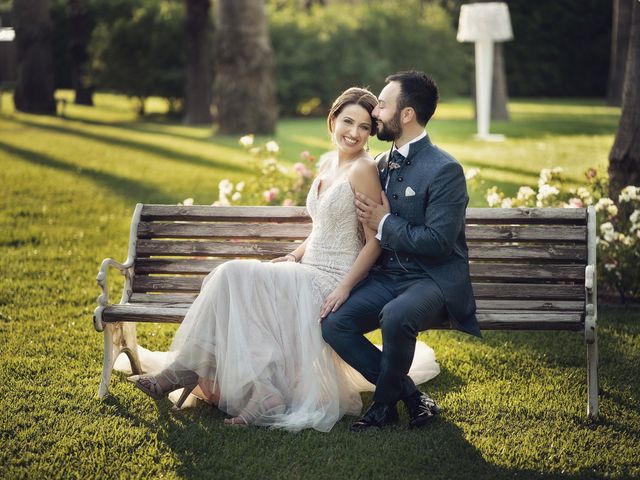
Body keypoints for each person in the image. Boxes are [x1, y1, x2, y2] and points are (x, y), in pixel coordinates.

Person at [126, 87, 440, 432]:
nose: (353, 132)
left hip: (332, 279)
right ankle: (258, 392)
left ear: (371, 133)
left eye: (364, 127)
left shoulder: (363, 169)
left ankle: (188, 370)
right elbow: (321, 229)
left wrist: (345, 289)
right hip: (305, 269)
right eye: (347, 121)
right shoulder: (329, 163)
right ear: (332, 119)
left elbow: (375, 241)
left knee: (230, 274)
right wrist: (292, 255)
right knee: (232, 283)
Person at [321, 71, 480, 432]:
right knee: (334, 323)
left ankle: (381, 407)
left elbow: (439, 243)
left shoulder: (445, 170)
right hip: (388, 275)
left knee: (395, 315)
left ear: (405, 115)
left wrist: (385, 222)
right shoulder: (379, 164)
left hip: (433, 280)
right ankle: (410, 396)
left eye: (382, 104)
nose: (375, 111)